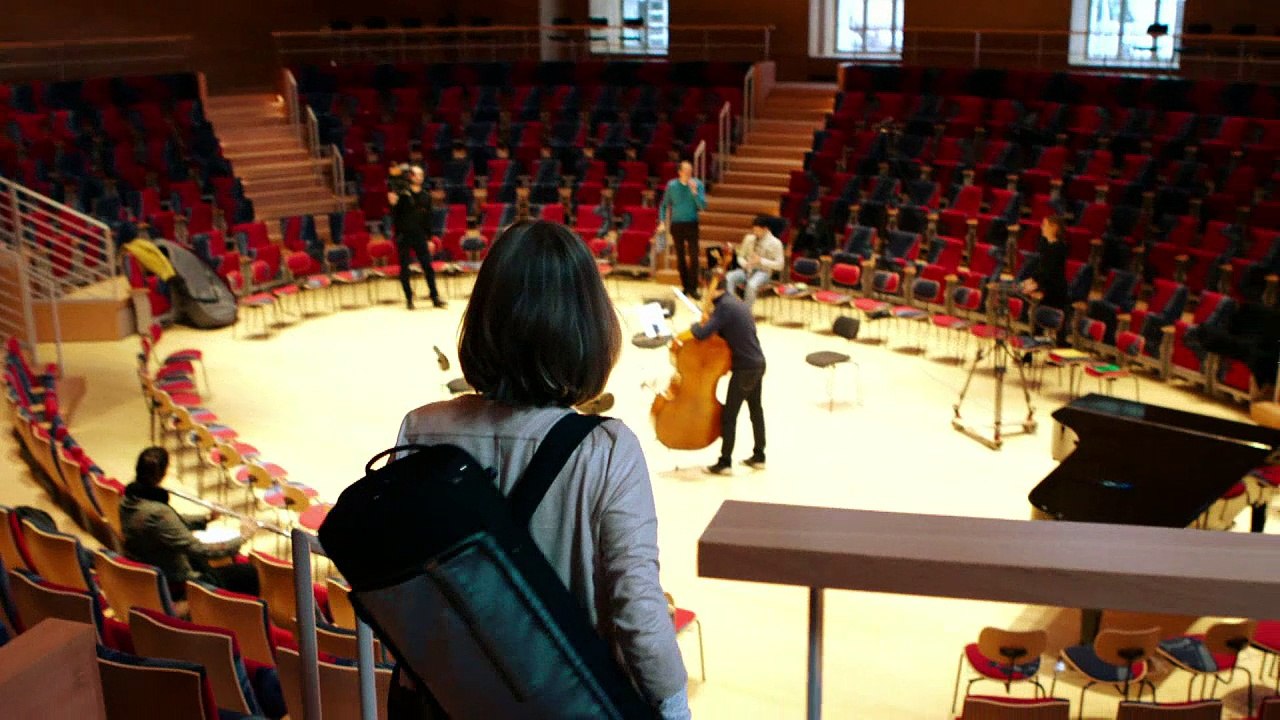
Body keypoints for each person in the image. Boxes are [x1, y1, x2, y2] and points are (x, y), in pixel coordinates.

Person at [393, 220, 690, 720]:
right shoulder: (607, 450)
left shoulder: (420, 429)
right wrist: (674, 708)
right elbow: (638, 612)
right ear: (588, 328)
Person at [119, 446, 258, 600]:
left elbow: (172, 522)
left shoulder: (128, 499)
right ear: (163, 473)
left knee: (207, 561)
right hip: (175, 580)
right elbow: (199, 548)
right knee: (248, 573)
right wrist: (242, 537)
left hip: (151, 562)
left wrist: (207, 518)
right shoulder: (158, 512)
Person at [690, 282, 767, 475]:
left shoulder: (724, 307)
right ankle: (759, 456)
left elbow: (701, 334)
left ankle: (725, 462)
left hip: (744, 369)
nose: (706, 294)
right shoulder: (736, 303)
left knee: (729, 416)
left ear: (714, 289)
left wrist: (695, 324)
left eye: (707, 289)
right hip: (758, 363)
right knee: (756, 411)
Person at [387, 165, 446, 310]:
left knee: (428, 267)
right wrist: (393, 205)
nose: (419, 177)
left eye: (421, 175)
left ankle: (435, 297)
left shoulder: (426, 196)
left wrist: (429, 239)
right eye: (416, 175)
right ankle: (409, 299)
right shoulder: (403, 195)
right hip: (404, 236)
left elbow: (428, 220)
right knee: (404, 269)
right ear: (410, 176)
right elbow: (395, 216)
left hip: (420, 235)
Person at [658, 160, 708, 299]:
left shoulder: (698, 184)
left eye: (690, 171)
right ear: (679, 172)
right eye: (686, 171)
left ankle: (693, 287)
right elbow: (664, 205)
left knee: (694, 256)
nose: (688, 173)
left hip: (692, 224)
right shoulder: (672, 185)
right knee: (680, 257)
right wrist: (662, 221)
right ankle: (685, 286)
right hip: (677, 224)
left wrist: (695, 193)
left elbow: (703, 206)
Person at [724, 215, 785, 310]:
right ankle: (730, 307)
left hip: (763, 272)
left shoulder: (776, 243)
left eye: (758, 231)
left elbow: (780, 265)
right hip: (747, 270)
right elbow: (740, 256)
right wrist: (745, 264)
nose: (755, 233)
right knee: (729, 277)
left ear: (765, 229)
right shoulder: (749, 238)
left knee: (751, 285)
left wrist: (761, 260)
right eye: (754, 230)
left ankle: (746, 311)